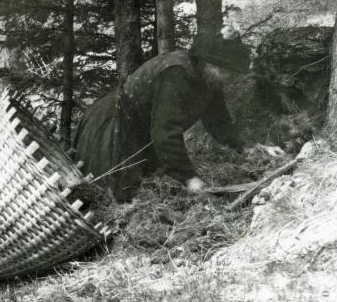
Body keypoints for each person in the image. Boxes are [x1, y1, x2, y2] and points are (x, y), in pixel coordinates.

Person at [72, 29, 251, 202]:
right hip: (114, 123)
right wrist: (189, 178)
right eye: (224, 71)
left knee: (145, 184)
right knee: (110, 192)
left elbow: (218, 120)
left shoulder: (210, 79)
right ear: (208, 63)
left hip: (143, 128)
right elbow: (165, 131)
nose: (228, 77)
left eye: (230, 72)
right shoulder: (176, 74)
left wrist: (245, 146)